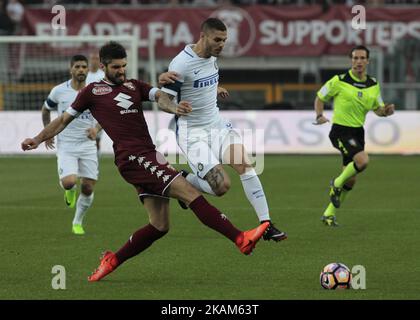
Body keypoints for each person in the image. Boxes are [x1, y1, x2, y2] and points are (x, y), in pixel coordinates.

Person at [21, 41, 270, 282]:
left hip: (149, 155)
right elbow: (63, 120)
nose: (121, 71)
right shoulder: (92, 92)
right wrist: (38, 137)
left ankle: (111, 260)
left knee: (160, 225)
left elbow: (160, 96)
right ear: (105, 66)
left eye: (124, 66)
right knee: (190, 193)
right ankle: (240, 239)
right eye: (116, 67)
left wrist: (174, 107)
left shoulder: (134, 86)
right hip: (132, 159)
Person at [159, 18, 287, 242]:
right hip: (192, 134)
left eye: (224, 40)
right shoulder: (180, 64)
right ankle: (184, 180)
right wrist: (175, 108)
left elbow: (201, 81)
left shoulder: (212, 58)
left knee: (246, 166)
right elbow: (163, 100)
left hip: (217, 126)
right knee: (221, 187)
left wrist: (215, 88)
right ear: (203, 37)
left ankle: (266, 224)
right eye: (217, 40)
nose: (221, 45)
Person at [314, 45, 395, 226]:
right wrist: (319, 115)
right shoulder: (339, 80)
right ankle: (335, 183)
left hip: (358, 133)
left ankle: (328, 214)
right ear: (351, 60)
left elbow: (378, 109)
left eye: (362, 58)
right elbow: (320, 97)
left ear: (368, 61)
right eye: (355, 58)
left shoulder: (373, 84)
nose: (358, 62)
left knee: (350, 181)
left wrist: (386, 111)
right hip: (341, 131)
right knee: (362, 161)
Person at [41, 54, 101, 235]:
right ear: (71, 69)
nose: (81, 70)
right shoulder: (59, 91)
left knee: (89, 187)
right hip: (66, 145)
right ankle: (69, 190)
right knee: (69, 182)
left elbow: (108, 115)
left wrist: (96, 129)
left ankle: (77, 221)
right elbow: (46, 109)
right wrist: (47, 133)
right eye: (77, 67)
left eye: (84, 67)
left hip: (88, 145)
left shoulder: (94, 91)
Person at [86, 52, 106, 153]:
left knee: (97, 139)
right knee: (86, 136)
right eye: (92, 58)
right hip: (85, 110)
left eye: (96, 59)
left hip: (99, 110)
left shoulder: (103, 75)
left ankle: (96, 159)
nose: (94, 61)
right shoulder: (84, 75)